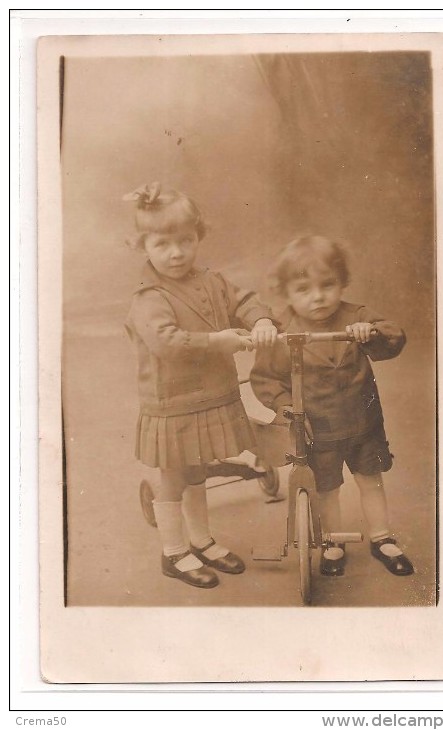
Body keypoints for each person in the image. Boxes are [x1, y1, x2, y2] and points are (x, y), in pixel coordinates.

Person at [124, 182, 277, 589]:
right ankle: (174, 553)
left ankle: (201, 540)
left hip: (208, 394)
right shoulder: (148, 298)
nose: (176, 253)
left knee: (196, 473)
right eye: (162, 243)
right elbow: (167, 343)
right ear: (144, 246)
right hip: (172, 400)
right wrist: (219, 341)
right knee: (175, 476)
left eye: (185, 241)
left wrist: (260, 319)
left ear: (198, 238)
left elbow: (243, 300)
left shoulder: (212, 280)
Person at [250, 235, 414, 578]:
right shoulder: (283, 330)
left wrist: (370, 331)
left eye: (328, 285)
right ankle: (332, 542)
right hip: (316, 427)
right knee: (326, 487)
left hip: (363, 423)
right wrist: (287, 410)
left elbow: (393, 337)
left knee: (371, 479)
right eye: (303, 288)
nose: (318, 296)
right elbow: (266, 380)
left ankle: (382, 538)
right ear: (286, 293)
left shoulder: (355, 316)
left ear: (342, 283)